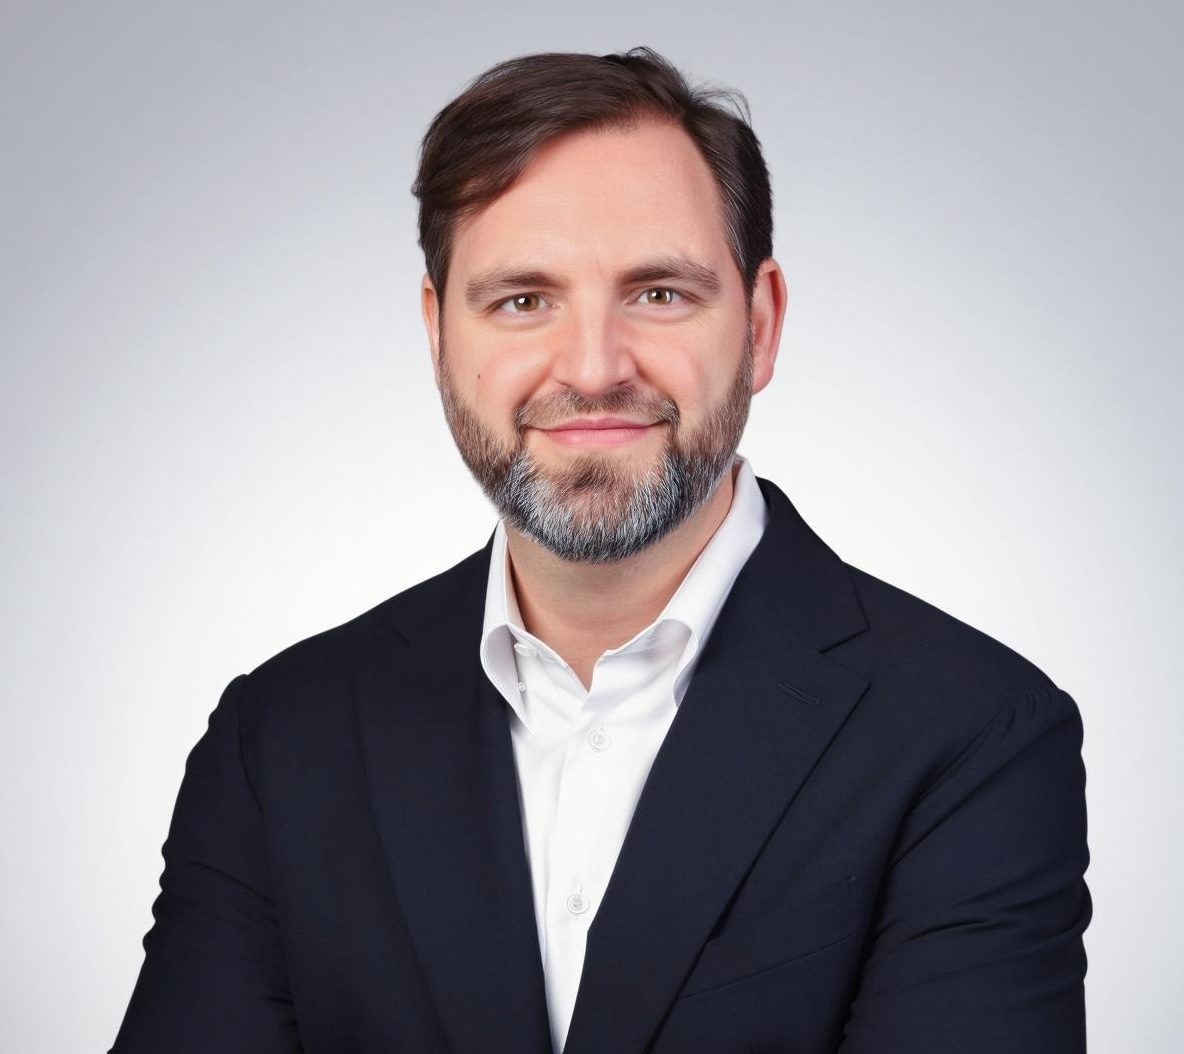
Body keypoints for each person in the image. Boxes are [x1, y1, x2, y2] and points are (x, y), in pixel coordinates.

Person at [111, 48, 1090, 1053]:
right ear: (437, 332)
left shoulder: (973, 734)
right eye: (522, 300)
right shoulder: (280, 740)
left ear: (759, 325)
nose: (590, 368)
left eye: (658, 293)